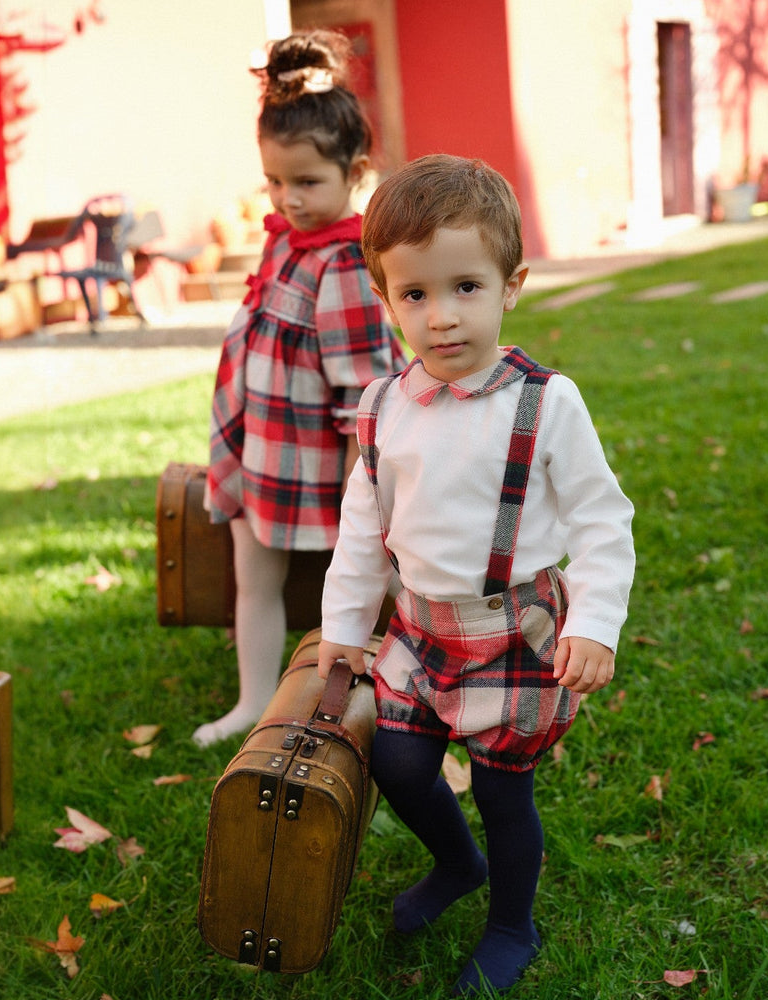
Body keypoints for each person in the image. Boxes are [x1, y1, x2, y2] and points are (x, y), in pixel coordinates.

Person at [317, 154, 636, 995]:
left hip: (512, 630)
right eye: (415, 295)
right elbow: (363, 530)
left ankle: (510, 926)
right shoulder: (382, 407)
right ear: (385, 299)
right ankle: (458, 864)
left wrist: (594, 623)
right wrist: (344, 629)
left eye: (466, 287)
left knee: (502, 794)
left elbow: (603, 520)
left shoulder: (545, 402)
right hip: (420, 630)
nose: (442, 317)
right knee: (398, 765)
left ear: (511, 285)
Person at [196, 30, 406, 747]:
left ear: (356, 171)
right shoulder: (285, 237)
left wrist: (361, 497)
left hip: (323, 464)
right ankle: (253, 701)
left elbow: (363, 396)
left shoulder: (344, 263)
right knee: (252, 576)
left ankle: (431, 686)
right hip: (267, 451)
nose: (289, 199)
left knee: (382, 580)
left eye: (307, 182)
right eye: (275, 182)